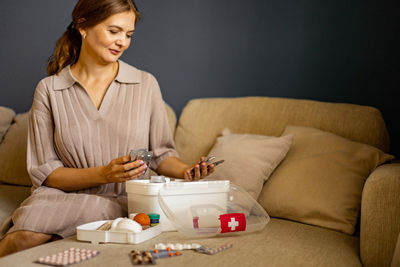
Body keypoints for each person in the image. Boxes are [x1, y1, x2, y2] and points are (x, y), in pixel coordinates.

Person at [0, 0, 214, 257]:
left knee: (43, 238)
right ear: (83, 26)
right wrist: (105, 173)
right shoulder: (50, 90)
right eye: (114, 31)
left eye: (129, 34)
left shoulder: (144, 84)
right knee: (23, 237)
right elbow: (46, 173)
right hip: (58, 196)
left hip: (123, 199)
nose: (122, 42)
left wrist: (187, 171)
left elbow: (161, 155)